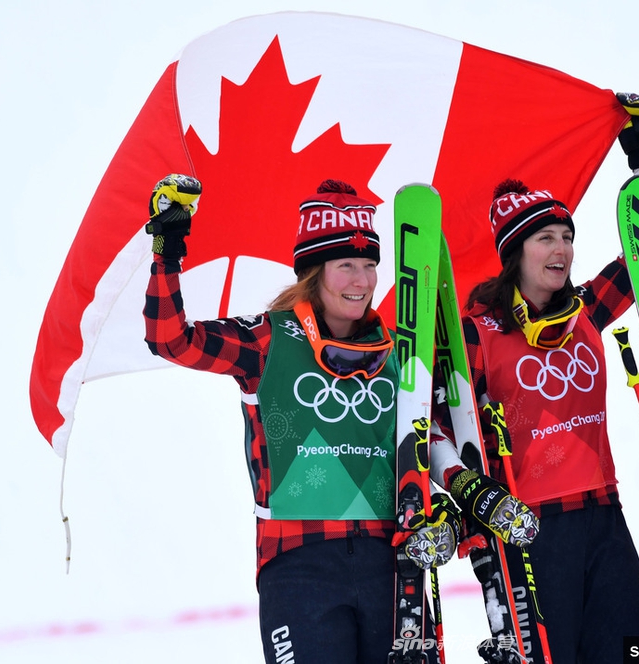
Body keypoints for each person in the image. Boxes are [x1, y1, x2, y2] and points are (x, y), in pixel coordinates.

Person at [143, 176, 459, 664]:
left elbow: (426, 438)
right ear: (314, 271)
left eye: (370, 265)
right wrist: (167, 248)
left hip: (391, 566)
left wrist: (459, 498)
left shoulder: (399, 350)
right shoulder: (266, 342)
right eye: (346, 265)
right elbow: (170, 339)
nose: (362, 280)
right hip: (299, 567)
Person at [429, 93, 639, 664]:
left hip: (605, 521)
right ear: (516, 253)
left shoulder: (584, 311)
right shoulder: (477, 333)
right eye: (546, 238)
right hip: (529, 532)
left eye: (567, 236)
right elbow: (432, 431)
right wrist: (468, 491)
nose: (562, 249)